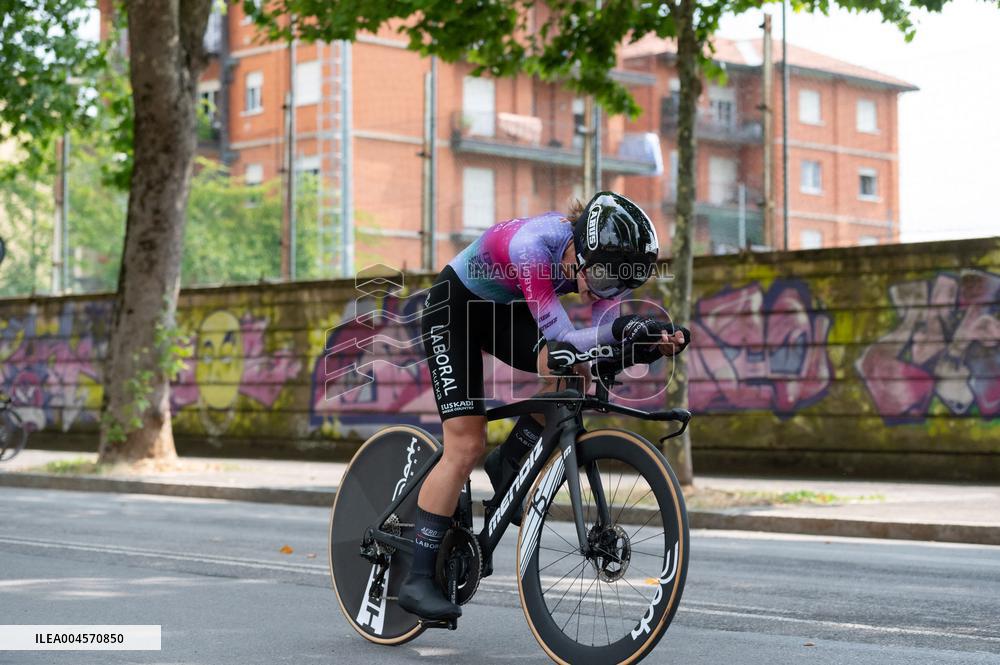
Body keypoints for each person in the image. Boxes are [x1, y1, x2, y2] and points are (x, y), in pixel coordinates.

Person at [398, 191, 690, 620]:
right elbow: (570, 339)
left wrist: (646, 342)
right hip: (455, 309)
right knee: (465, 444)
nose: (603, 290)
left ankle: (509, 463)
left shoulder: (593, 263)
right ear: (579, 249)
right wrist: (626, 331)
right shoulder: (533, 246)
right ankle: (417, 578)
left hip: (505, 310)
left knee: (568, 375)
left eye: (619, 285)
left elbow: (604, 340)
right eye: (604, 278)